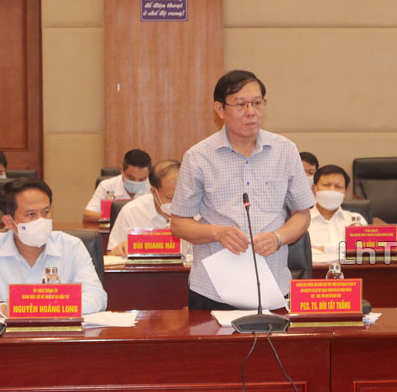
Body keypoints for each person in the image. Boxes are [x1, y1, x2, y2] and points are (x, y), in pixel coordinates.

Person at [171, 70, 316, 310]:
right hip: (213, 290)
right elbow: (178, 224)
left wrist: (278, 237)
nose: (251, 112)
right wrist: (217, 232)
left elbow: (302, 214)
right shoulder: (198, 157)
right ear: (220, 109)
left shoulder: (285, 151)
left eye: (257, 103)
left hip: (274, 285)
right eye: (241, 105)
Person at [0, 177, 107, 318]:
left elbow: (97, 296)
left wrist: (46, 307)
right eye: (31, 214)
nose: (41, 220)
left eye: (46, 212)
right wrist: (3, 308)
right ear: (9, 222)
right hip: (6, 337)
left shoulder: (72, 246)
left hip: (58, 334)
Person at [107, 159, 180, 257]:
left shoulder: (198, 211)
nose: (178, 202)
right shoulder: (130, 212)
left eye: (182, 196)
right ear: (154, 192)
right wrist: (119, 250)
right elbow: (111, 255)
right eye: (170, 197)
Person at [308, 164, 367, 252]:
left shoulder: (355, 220)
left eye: (338, 187)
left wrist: (323, 249)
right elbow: (300, 253)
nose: (332, 190)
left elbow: (362, 250)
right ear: (314, 189)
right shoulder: (302, 221)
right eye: (326, 185)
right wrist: (343, 248)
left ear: (345, 192)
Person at [83, 149, 152, 222]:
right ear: (122, 170)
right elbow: (87, 215)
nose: (136, 182)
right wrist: (120, 217)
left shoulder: (153, 187)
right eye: (131, 178)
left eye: (142, 179)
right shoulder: (106, 186)